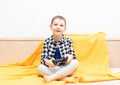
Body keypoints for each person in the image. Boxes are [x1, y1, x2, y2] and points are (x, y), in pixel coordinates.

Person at [37, 15, 79, 83]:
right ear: (51, 27)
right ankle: (64, 78)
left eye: (61, 25)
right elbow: (43, 60)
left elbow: (73, 56)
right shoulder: (46, 42)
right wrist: (48, 62)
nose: (58, 27)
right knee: (40, 68)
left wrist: (70, 57)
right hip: (53, 68)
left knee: (75, 62)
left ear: (65, 29)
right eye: (55, 24)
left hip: (65, 67)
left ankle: (52, 77)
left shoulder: (68, 40)